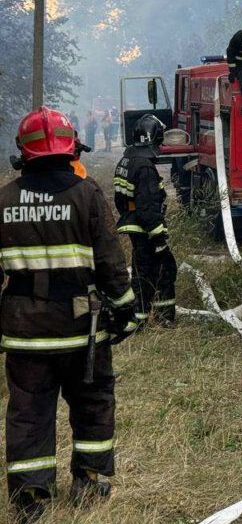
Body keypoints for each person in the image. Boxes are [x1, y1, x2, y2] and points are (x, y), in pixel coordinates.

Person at [0, 106, 137, 522]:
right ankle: (89, 482)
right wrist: (125, 310)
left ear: (24, 152)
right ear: (69, 147)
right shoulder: (87, 193)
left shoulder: (4, 199)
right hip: (82, 329)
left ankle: (31, 500)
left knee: (27, 411)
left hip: (25, 334)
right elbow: (111, 261)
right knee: (93, 402)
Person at [113, 115, 177, 327]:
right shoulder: (145, 167)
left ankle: (141, 316)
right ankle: (161, 317)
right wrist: (159, 237)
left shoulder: (127, 160)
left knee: (142, 269)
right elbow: (147, 207)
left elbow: (121, 199)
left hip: (134, 224)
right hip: (146, 228)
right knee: (164, 269)